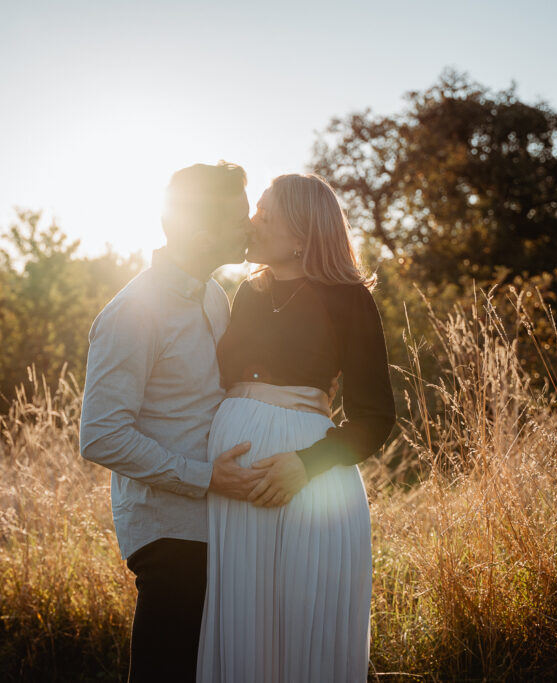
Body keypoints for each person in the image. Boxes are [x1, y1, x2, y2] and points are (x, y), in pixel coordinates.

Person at [196, 173, 396, 682]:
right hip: (235, 492)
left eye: (265, 212)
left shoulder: (349, 300)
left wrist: (304, 466)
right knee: (244, 636)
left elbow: (375, 417)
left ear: (302, 232)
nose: (252, 220)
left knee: (303, 639)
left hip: (307, 488)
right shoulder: (246, 293)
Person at [80, 162, 266, 682]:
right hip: (170, 533)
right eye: (238, 217)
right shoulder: (133, 312)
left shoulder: (212, 294)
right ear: (204, 233)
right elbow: (100, 434)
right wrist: (205, 476)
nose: (249, 226)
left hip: (218, 524)